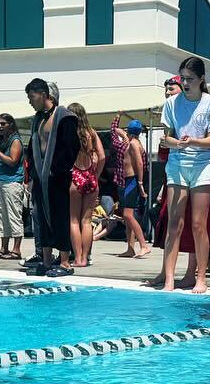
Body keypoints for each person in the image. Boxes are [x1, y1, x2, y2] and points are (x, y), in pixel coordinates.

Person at [156, 56, 210, 293]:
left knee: (198, 224)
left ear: (201, 79)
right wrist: (177, 144)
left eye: (190, 79)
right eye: (182, 78)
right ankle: (169, 279)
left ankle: (201, 277)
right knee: (174, 223)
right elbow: (166, 138)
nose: (185, 83)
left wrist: (192, 141)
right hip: (177, 163)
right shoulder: (171, 103)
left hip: (203, 165)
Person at [25, 77, 79, 277]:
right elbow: (32, 149)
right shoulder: (38, 119)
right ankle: (47, 260)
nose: (30, 101)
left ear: (44, 95)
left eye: (32, 97)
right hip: (41, 178)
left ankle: (65, 262)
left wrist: (58, 170)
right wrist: (32, 175)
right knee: (41, 218)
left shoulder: (65, 117)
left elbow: (72, 147)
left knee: (60, 217)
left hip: (57, 177)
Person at [65, 102, 105, 268]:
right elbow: (102, 156)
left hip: (75, 176)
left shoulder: (69, 133)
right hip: (90, 176)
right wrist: (96, 174)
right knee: (87, 221)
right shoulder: (91, 133)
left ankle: (78, 258)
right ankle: (85, 258)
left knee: (74, 220)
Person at [0, 112, 26, 260]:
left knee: (14, 215)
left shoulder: (15, 141)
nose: (0, 126)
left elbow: (12, 161)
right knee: (1, 216)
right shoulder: (1, 140)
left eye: (3, 124)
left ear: (11, 124)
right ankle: (4, 247)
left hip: (12, 182)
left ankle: (16, 249)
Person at [112, 117, 150, 259]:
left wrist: (140, 183)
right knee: (128, 217)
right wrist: (123, 134)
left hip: (132, 181)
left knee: (128, 215)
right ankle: (130, 248)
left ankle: (144, 245)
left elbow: (139, 164)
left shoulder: (133, 144)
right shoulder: (135, 142)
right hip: (130, 181)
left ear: (129, 131)